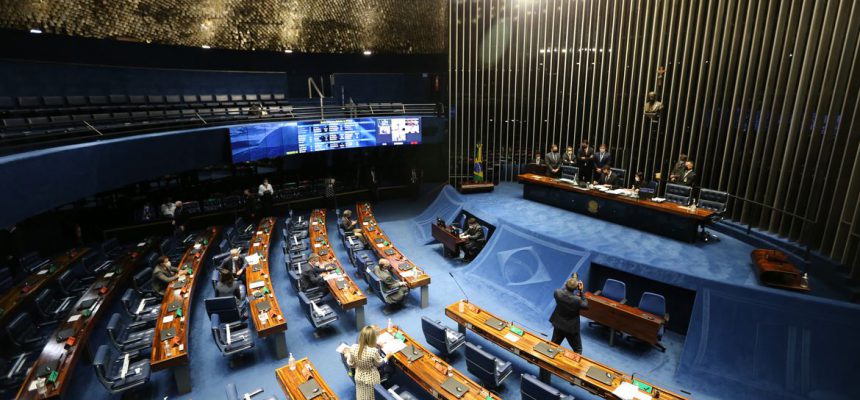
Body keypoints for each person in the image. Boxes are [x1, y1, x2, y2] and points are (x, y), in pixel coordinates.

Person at [341, 326, 388, 400]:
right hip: (371, 378)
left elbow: (350, 363)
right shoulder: (373, 351)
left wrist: (348, 354)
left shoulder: (353, 347)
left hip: (358, 375)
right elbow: (380, 364)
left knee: (362, 394)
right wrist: (387, 357)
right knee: (372, 395)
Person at [549, 277, 589, 354]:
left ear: (565, 284)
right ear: (576, 288)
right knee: (578, 350)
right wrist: (581, 292)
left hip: (558, 324)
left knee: (553, 346)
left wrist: (567, 285)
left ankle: (544, 365)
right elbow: (586, 305)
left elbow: (563, 292)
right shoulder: (577, 300)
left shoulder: (557, 293)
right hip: (571, 328)